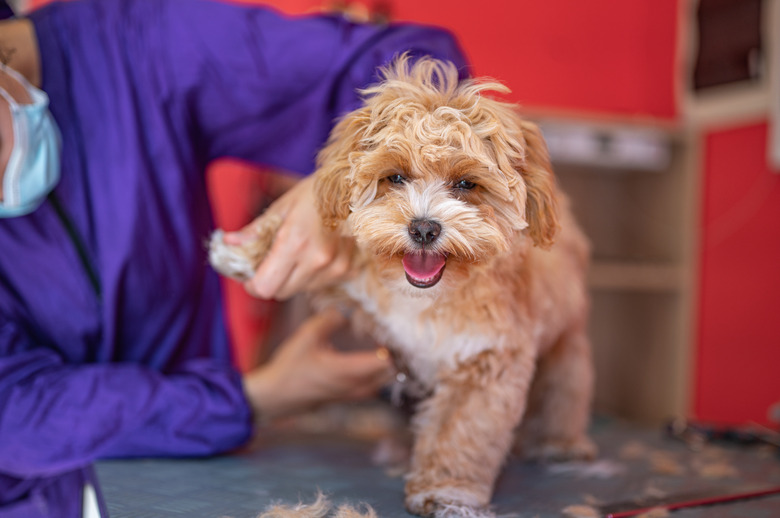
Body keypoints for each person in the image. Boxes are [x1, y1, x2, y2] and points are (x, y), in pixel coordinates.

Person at [0, 0, 467, 516]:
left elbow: (417, 65)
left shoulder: (139, 44)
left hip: (188, 483)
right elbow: (15, 410)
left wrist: (340, 179)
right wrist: (252, 399)